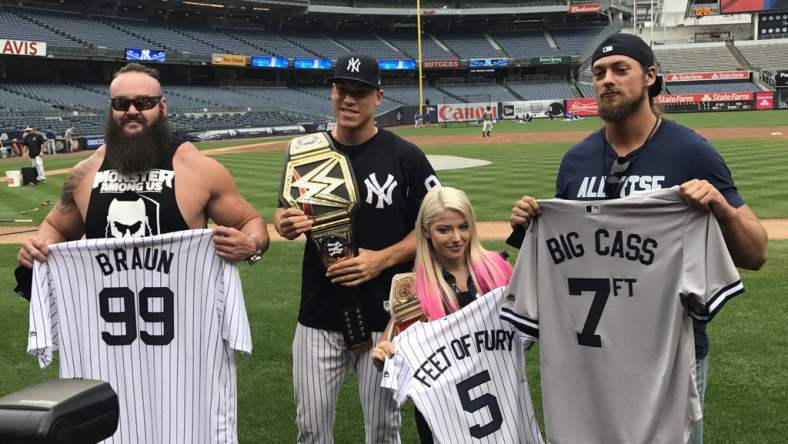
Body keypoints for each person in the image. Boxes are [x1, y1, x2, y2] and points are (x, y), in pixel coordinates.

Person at [507, 33, 767, 444]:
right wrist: (531, 221)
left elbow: (756, 253)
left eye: (619, 70)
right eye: (598, 73)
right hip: (588, 357)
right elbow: (568, 251)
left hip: (669, 355)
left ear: (649, 77)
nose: (607, 80)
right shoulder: (576, 161)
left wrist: (720, 206)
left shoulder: (691, 152)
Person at [274, 52, 440, 444]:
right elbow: (288, 214)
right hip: (319, 312)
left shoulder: (406, 158)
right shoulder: (305, 152)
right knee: (311, 430)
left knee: (384, 430)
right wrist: (284, 222)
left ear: (378, 97)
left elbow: (436, 229)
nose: (349, 100)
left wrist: (380, 259)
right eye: (341, 90)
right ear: (332, 92)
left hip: (386, 318)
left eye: (360, 92)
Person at [17, 62, 269, 268]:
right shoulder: (86, 171)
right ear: (111, 108)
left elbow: (250, 221)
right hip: (105, 322)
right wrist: (37, 246)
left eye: (144, 102)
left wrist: (252, 245)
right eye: (121, 103)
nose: (132, 110)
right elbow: (56, 227)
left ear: (162, 107)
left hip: (187, 319)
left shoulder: (199, 168)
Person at [372, 186, 513, 443]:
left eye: (463, 226)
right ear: (425, 231)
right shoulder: (412, 289)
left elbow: (521, 338)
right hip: (442, 414)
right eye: (444, 229)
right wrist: (384, 357)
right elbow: (392, 354)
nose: (457, 237)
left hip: (501, 400)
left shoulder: (498, 269)